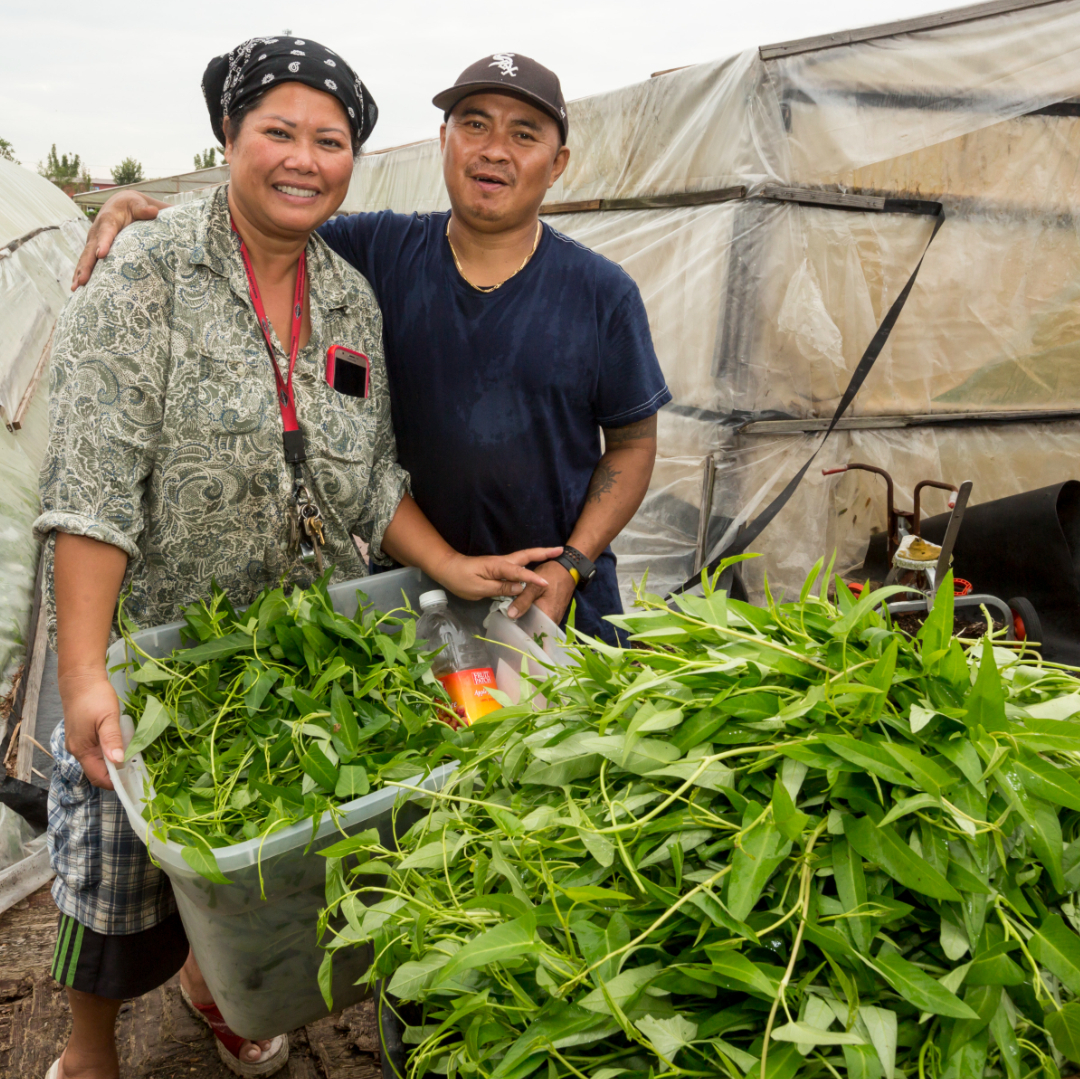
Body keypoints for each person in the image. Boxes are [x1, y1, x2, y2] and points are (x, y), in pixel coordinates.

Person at [38, 37, 559, 1079]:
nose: (304, 159)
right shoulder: (149, 273)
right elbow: (94, 486)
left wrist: (452, 564)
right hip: (157, 642)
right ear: (228, 138)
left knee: (268, 865)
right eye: (278, 131)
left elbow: (370, 479)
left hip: (292, 649)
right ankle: (87, 1046)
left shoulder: (348, 298)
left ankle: (222, 993)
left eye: (330, 140)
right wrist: (87, 669)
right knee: (109, 871)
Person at [76, 52, 671, 646]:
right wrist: (150, 213)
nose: (494, 149)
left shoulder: (601, 292)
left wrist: (573, 562)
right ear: (445, 140)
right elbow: (267, 217)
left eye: (524, 134)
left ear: (557, 162)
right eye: (474, 124)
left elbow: (632, 446)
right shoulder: (378, 250)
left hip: (556, 598)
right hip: (412, 596)